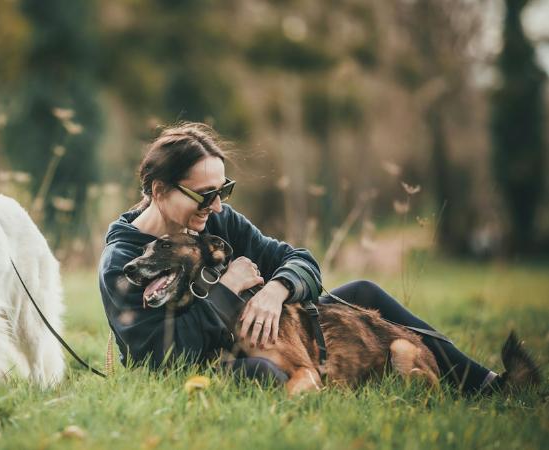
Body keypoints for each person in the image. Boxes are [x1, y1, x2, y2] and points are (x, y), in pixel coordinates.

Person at [98, 122, 502, 393]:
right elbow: (163, 356)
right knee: (264, 372)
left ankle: (482, 383)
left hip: (258, 339)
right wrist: (224, 291)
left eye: (224, 190)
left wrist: (277, 289)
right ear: (158, 189)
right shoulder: (124, 261)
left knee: (363, 290)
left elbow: (300, 260)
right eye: (204, 195)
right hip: (209, 360)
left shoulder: (218, 222)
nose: (217, 206)